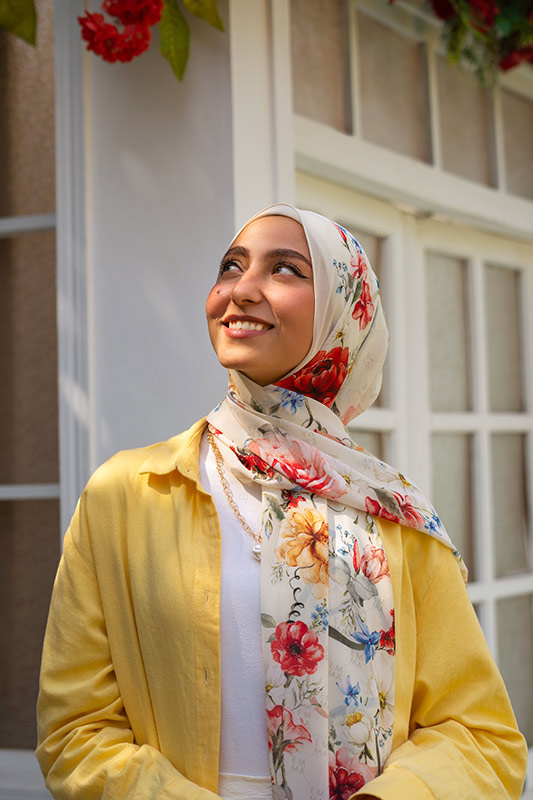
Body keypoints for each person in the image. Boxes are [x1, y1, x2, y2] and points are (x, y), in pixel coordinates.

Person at [36, 204, 527, 800]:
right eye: (231, 266)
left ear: (342, 317)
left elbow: (480, 736)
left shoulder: (394, 516)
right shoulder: (125, 495)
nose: (241, 290)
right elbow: (75, 730)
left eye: (286, 269)